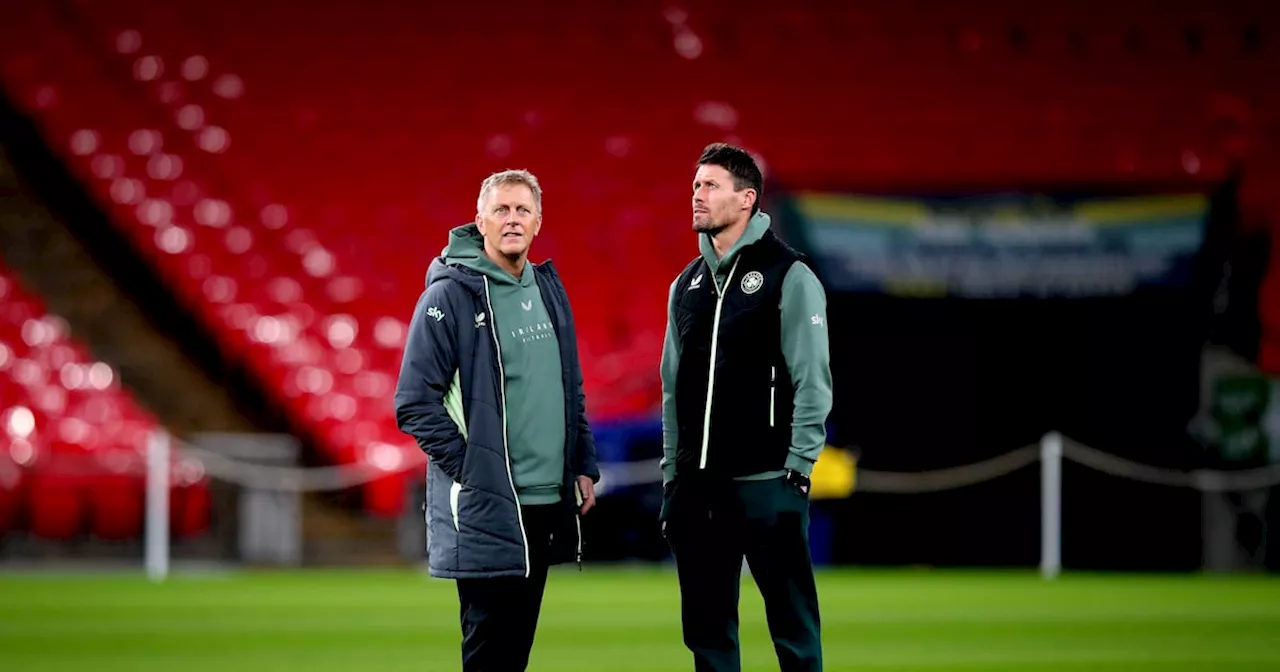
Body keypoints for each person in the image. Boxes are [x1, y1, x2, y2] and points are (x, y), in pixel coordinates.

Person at [394, 169, 600, 672]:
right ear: (480, 220)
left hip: (544, 503)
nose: (512, 219)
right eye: (502, 210)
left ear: (538, 222)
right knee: (489, 655)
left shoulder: (549, 289)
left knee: (515, 654)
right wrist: (474, 470)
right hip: (488, 506)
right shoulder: (448, 296)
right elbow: (413, 402)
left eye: (522, 210)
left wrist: (582, 462)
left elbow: (568, 386)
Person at [659, 143, 833, 672]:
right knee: (709, 641)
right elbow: (672, 390)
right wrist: (673, 475)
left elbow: (813, 382)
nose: (697, 196)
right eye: (695, 186)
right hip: (698, 491)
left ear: (747, 198)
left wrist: (799, 470)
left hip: (767, 484)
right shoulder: (684, 286)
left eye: (710, 186)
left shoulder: (790, 275)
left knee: (794, 634)